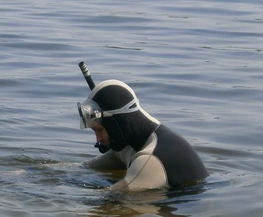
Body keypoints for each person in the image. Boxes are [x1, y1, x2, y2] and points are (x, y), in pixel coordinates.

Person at [77, 78, 207, 191]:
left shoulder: (150, 158)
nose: (99, 139)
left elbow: (111, 196)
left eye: (100, 130)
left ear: (116, 123)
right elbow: (83, 168)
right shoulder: (129, 146)